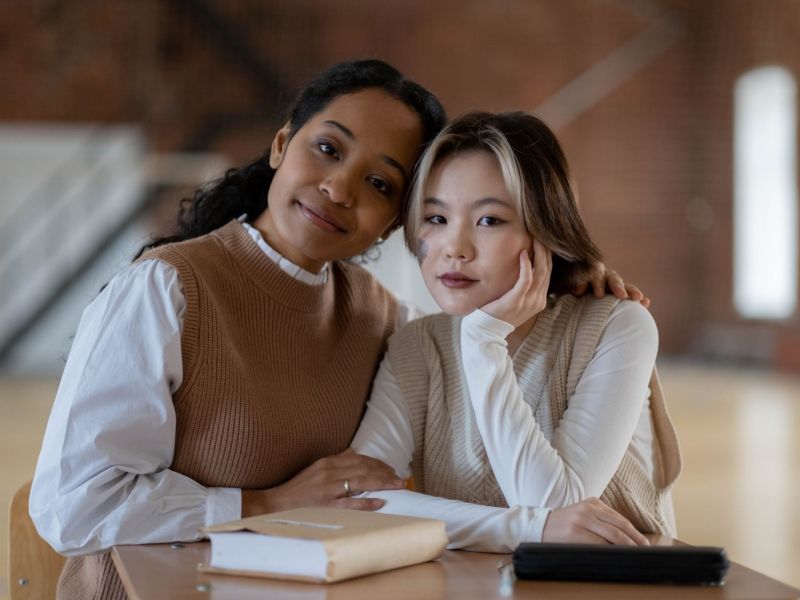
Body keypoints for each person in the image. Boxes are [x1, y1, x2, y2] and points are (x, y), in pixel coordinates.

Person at [30, 60, 643, 599]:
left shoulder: (379, 315)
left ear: (390, 225)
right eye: (328, 148)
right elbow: (73, 507)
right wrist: (262, 506)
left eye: (380, 184)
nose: (339, 187)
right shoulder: (165, 288)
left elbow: (464, 368)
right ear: (280, 145)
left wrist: (574, 282)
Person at [351, 111, 682, 552]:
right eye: (436, 218)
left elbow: (552, 501)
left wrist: (483, 339)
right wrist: (525, 529)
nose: (454, 248)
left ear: (544, 229)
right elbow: (364, 502)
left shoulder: (617, 327)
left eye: (489, 220)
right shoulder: (417, 345)